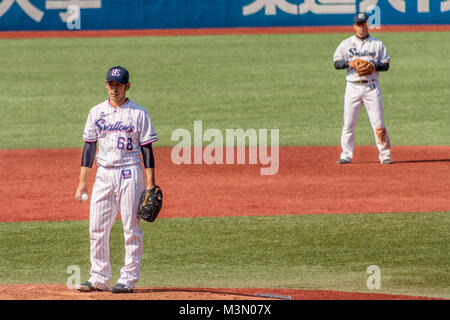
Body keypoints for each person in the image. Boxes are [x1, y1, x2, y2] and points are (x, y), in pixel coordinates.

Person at [74, 66, 158, 293]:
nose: (114, 89)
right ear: (106, 85)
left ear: (127, 86)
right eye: (111, 85)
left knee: (131, 227)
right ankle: (99, 277)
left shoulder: (139, 113)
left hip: (130, 171)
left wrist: (150, 184)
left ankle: (128, 279)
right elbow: (89, 147)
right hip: (103, 174)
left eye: (118, 85)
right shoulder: (96, 112)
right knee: (97, 227)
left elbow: (147, 150)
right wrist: (83, 181)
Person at [333, 12, 393, 164]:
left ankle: (385, 154)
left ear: (368, 25)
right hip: (352, 87)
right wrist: (350, 63)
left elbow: (385, 65)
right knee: (348, 123)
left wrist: (373, 66)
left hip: (372, 87)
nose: (362, 26)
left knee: (378, 123)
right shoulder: (346, 44)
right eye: (359, 24)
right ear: (354, 27)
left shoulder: (377, 44)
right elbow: (336, 63)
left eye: (364, 23)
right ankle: (346, 154)